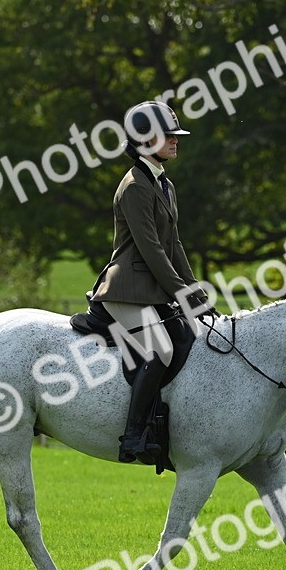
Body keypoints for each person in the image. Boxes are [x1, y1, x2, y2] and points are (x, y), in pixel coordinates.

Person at [89, 100, 208, 463]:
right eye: (167, 135)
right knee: (161, 351)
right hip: (126, 289)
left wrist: (193, 289)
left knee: (189, 341)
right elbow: (152, 249)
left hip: (150, 291)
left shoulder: (164, 185)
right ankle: (134, 437)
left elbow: (174, 245)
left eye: (175, 134)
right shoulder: (135, 186)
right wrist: (180, 294)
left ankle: (164, 427)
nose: (175, 140)